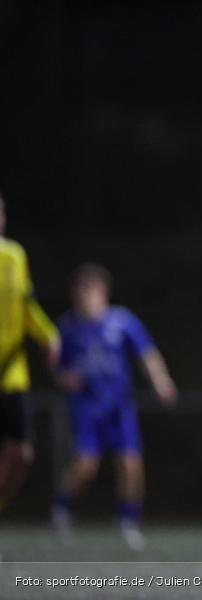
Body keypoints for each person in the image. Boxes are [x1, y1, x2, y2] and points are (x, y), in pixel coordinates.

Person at [52, 263, 177, 550]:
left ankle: (127, 522)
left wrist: (161, 379)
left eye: (90, 291)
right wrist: (62, 377)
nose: (84, 297)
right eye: (79, 291)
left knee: (130, 464)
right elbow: (56, 367)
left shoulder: (122, 322)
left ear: (103, 293)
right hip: (85, 407)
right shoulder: (66, 328)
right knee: (86, 465)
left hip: (119, 407)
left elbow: (147, 353)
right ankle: (62, 509)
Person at [0, 194, 60, 515]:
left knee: (22, 453)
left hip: (11, 372)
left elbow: (27, 305)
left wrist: (48, 335)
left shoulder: (14, 255)